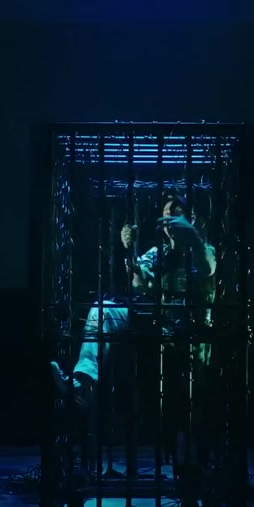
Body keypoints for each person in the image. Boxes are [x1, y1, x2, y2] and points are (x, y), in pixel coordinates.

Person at [49, 194, 216, 478]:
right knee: (101, 310)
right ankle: (81, 384)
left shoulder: (204, 249)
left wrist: (193, 237)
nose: (169, 221)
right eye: (166, 215)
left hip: (189, 332)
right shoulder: (157, 253)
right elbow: (139, 286)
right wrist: (129, 251)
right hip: (154, 323)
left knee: (185, 410)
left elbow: (208, 267)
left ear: (191, 218)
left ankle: (190, 469)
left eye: (176, 214)